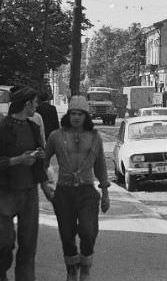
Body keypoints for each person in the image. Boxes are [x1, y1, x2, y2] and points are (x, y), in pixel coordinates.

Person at [43, 96, 110, 281]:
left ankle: (86, 268)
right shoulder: (56, 136)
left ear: (86, 116)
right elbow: (44, 161)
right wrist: (46, 185)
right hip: (64, 192)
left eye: (80, 113)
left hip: (87, 191)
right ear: (68, 114)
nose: (76, 117)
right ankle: (72, 270)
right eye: (73, 113)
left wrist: (105, 193)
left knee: (88, 232)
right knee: (67, 234)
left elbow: (101, 166)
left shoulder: (95, 137)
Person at [0, 85, 49, 281]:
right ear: (27, 104)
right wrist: (18, 160)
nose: (37, 106)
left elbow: (39, 159)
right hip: (5, 193)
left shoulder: (33, 127)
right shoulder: (2, 128)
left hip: (30, 193)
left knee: (28, 246)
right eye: (35, 103)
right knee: (5, 242)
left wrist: (40, 156)